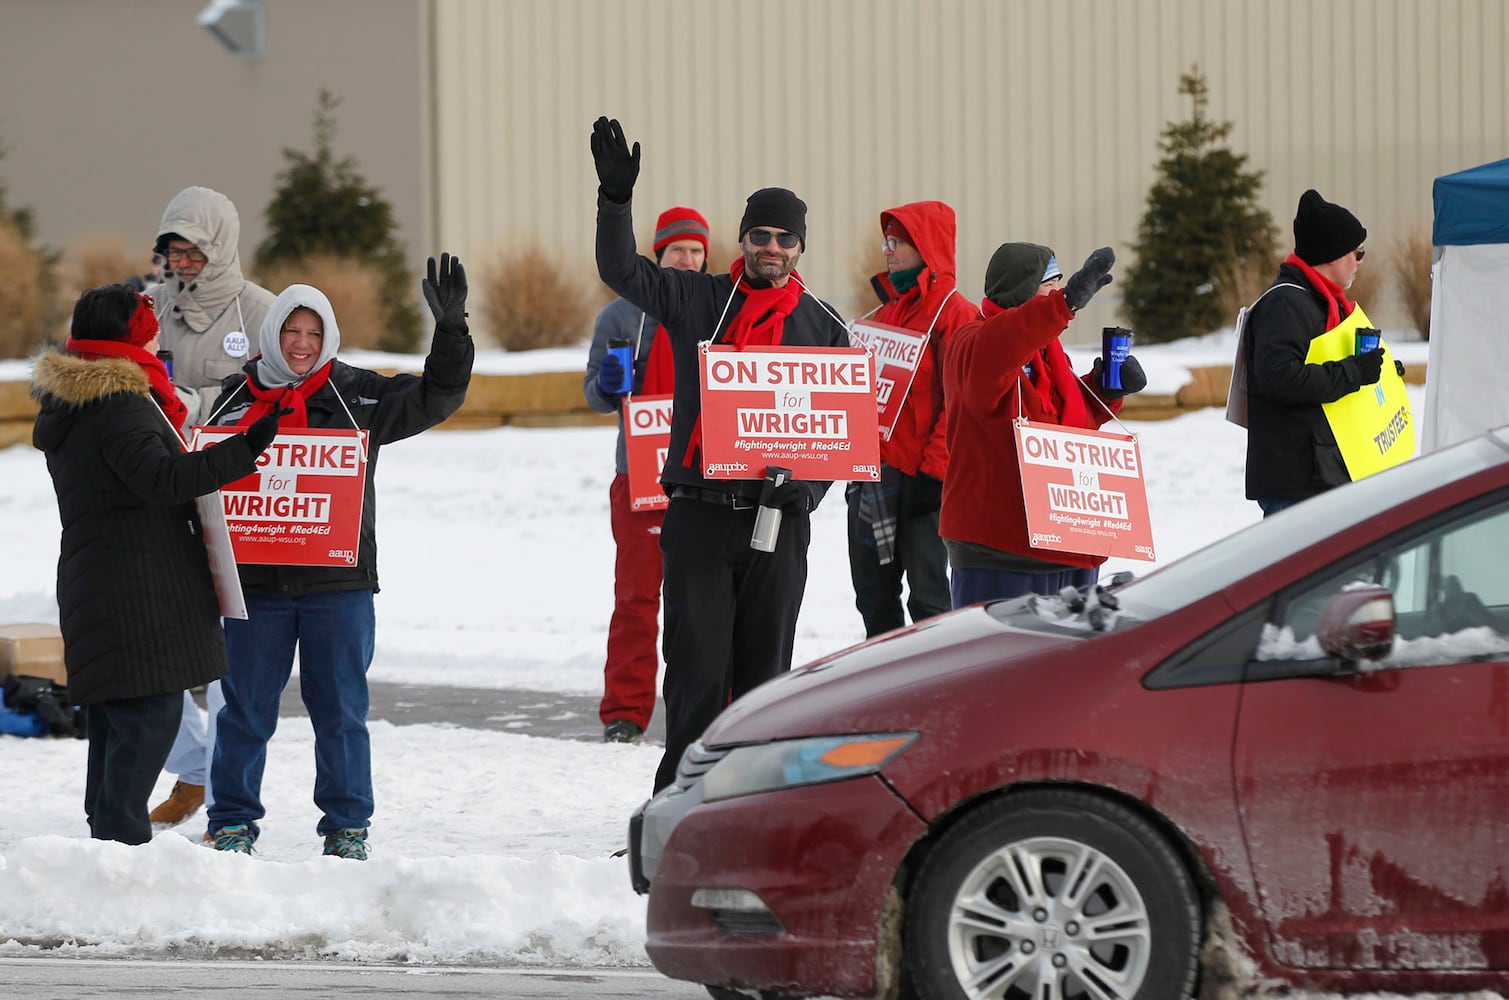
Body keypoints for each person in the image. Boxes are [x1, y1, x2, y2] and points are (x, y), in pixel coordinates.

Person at [590, 117, 850, 792]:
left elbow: (845, 429)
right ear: (741, 241)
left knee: (766, 681)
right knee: (697, 675)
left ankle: (751, 813)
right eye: (759, 234)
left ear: (799, 247)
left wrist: (812, 489)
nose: (771, 246)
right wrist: (615, 203)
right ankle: (677, 810)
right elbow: (619, 270)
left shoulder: (824, 326)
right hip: (701, 516)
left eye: (783, 237)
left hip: (778, 521)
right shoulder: (700, 298)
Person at [205, 255, 473, 860]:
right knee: (244, 712)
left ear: (327, 337)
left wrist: (452, 332)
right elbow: (201, 473)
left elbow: (437, 395)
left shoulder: (360, 395)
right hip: (257, 589)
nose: (301, 345)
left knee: (342, 714)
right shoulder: (233, 399)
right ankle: (231, 823)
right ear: (273, 333)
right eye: (291, 332)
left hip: (339, 584)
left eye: (313, 333)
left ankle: (348, 826)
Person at [30, 284, 283, 845]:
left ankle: (109, 847)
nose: (156, 324)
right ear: (125, 337)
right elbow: (162, 480)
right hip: (136, 588)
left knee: (121, 726)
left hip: (108, 579)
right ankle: (120, 852)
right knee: (146, 721)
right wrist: (247, 447)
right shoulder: (117, 403)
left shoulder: (82, 400)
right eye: (146, 319)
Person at [145, 185, 278, 829]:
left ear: (220, 246)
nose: (183, 263)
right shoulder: (147, 308)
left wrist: (191, 405)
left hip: (237, 496)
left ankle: (225, 787)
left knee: (231, 651)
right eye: (173, 252)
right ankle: (194, 767)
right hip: (162, 493)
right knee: (152, 641)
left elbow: (278, 395)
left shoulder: (263, 311)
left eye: (194, 251)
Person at [940, 243, 1145, 606]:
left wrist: (1102, 389)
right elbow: (1005, 341)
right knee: (1000, 662)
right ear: (1021, 287)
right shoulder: (973, 343)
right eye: (1049, 283)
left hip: (1067, 539)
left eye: (1059, 284)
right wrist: (1062, 305)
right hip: (1002, 549)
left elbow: (1059, 421)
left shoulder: (1047, 351)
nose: (1056, 291)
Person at [584, 205, 711, 744]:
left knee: (704, 601)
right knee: (636, 598)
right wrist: (610, 385)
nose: (686, 259)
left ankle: (710, 709)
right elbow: (593, 394)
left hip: (704, 479)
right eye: (678, 250)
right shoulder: (618, 316)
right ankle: (624, 712)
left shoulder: (720, 309)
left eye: (697, 252)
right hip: (636, 475)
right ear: (657, 255)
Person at [846, 202, 976, 637]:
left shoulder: (956, 314)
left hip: (925, 485)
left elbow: (961, 399)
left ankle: (937, 693)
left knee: (930, 600)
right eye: (887, 241)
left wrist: (935, 476)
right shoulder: (886, 313)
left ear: (927, 247)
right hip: (877, 480)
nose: (887, 250)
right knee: (873, 595)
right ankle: (885, 689)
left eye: (896, 242)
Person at [1244, 189, 1382, 517]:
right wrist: (1353, 371)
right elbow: (1281, 376)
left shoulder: (1321, 303)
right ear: (1332, 254)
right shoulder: (1286, 303)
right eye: (1357, 252)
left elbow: (1324, 367)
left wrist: (1379, 373)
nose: (1360, 262)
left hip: (1322, 474)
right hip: (1296, 483)